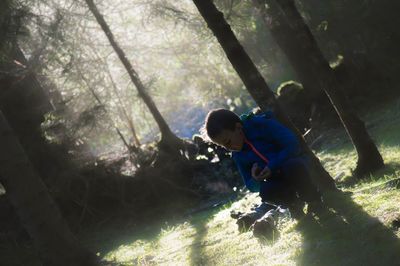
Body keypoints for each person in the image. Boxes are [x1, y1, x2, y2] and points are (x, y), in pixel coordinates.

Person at [202, 108, 323, 218]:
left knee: (293, 166)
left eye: (227, 142)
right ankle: (293, 206)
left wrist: (272, 165)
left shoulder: (261, 125)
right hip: (277, 179)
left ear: (238, 127)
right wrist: (256, 179)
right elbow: (251, 186)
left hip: (296, 166)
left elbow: (292, 145)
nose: (228, 148)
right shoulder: (238, 154)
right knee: (266, 191)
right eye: (223, 146)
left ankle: (314, 201)